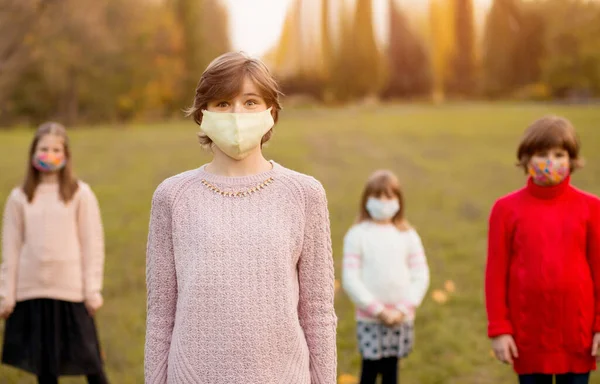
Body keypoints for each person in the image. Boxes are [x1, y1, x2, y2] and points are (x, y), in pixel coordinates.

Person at [144, 52, 337, 384]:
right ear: (203, 114)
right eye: (222, 103)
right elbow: (160, 316)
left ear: (271, 113)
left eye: (250, 102)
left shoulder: (305, 194)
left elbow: (318, 314)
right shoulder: (172, 197)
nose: (237, 114)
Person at [485, 115, 600, 384]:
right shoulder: (505, 210)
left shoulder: (592, 208)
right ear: (526, 159)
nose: (551, 162)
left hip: (577, 335)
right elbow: (495, 274)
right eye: (542, 154)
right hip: (528, 335)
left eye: (559, 154)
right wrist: (499, 329)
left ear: (571, 160)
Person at [0, 122, 108, 384]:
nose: (50, 154)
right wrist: (6, 294)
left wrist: (92, 290)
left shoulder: (80, 194)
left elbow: (92, 243)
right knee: (45, 370)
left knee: (92, 366)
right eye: (44, 148)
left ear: (66, 154)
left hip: (71, 293)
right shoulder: (20, 197)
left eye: (56, 149)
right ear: (33, 153)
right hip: (33, 293)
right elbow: (10, 249)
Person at [342, 170, 430, 384]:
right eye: (377, 197)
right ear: (366, 200)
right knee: (370, 369)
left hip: (401, 317)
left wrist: (402, 309)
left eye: (389, 197)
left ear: (399, 201)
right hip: (370, 317)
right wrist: (378, 310)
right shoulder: (358, 235)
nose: (383, 203)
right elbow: (350, 278)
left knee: (391, 369)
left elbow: (421, 274)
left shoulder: (408, 235)